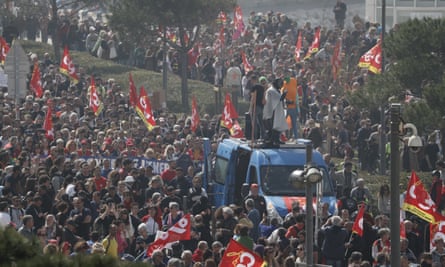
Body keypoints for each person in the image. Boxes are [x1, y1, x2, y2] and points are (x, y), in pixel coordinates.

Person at [263, 78, 288, 147]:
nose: (281, 85)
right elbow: (278, 99)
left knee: (277, 125)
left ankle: (276, 139)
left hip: (277, 110)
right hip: (272, 110)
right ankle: (271, 140)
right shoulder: (271, 90)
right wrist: (284, 94)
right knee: (272, 126)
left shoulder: (276, 90)